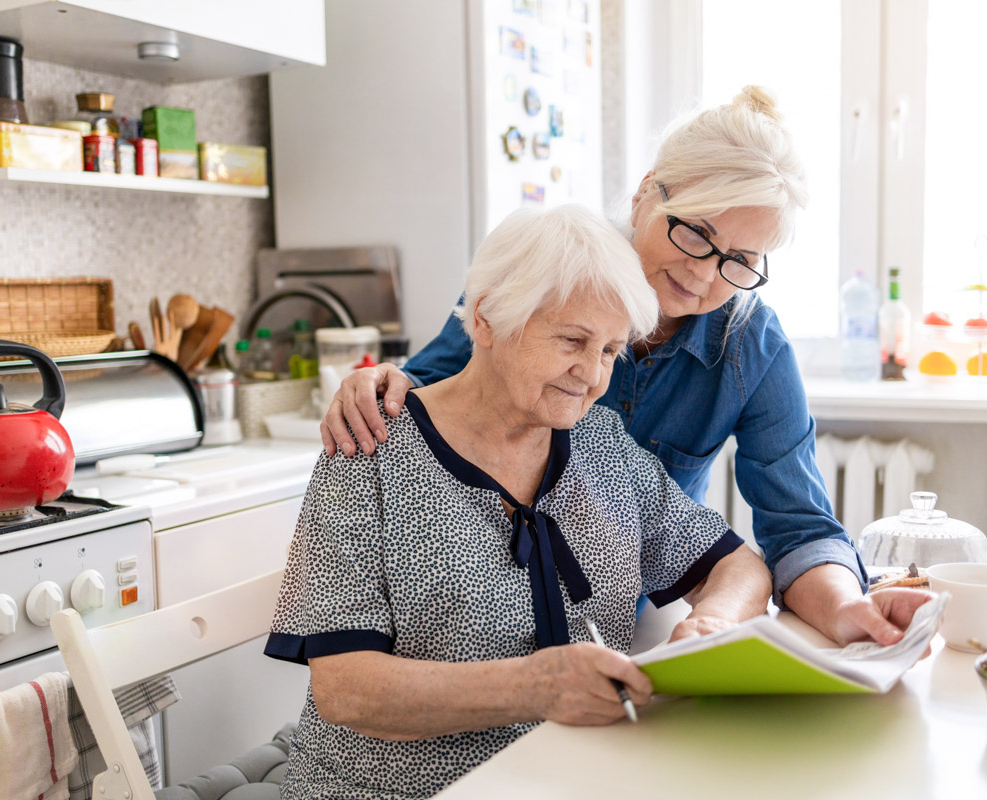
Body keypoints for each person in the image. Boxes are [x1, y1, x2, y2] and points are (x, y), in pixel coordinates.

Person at [319, 86, 932, 649]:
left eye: (740, 259)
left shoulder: (752, 346)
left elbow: (798, 528)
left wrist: (849, 607)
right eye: (696, 232)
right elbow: (431, 393)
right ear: (646, 194)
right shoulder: (549, 272)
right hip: (484, 619)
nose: (703, 274)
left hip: (629, 618)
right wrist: (378, 382)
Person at [265, 205, 772, 799]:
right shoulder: (371, 447)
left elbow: (739, 566)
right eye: (572, 340)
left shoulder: (601, 446)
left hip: (570, 781)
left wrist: (711, 622)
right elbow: (346, 689)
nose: (591, 375)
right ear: (486, 320)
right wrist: (532, 687)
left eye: (610, 351)